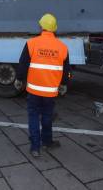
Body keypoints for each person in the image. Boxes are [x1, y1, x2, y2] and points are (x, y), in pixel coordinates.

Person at [14, 13, 71, 157]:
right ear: (54, 29)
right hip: (51, 91)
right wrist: (64, 84)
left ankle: (35, 147)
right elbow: (66, 71)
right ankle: (47, 142)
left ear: (41, 27)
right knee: (47, 116)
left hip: (33, 90)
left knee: (33, 116)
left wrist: (19, 79)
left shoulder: (31, 43)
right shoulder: (62, 47)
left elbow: (23, 64)